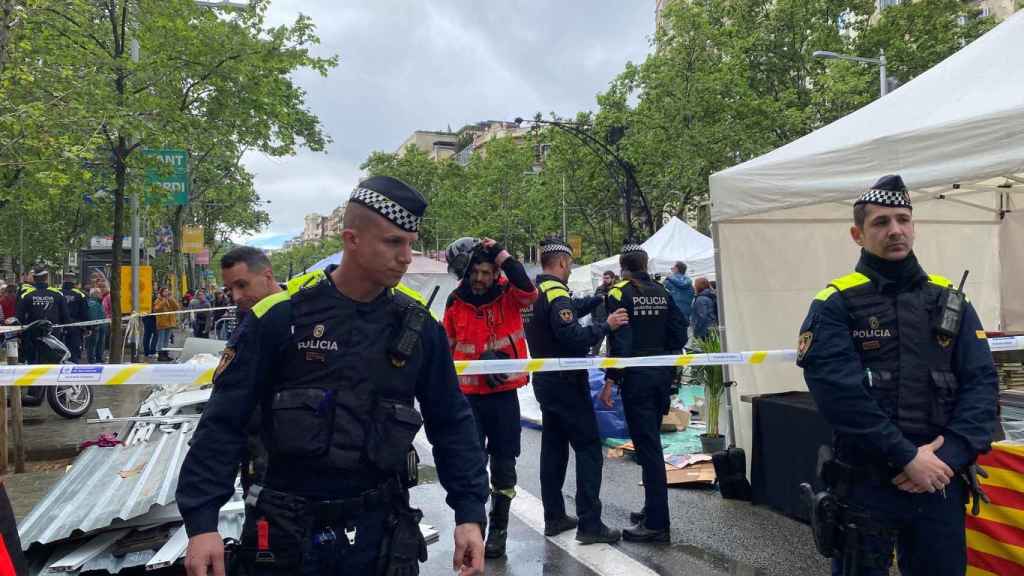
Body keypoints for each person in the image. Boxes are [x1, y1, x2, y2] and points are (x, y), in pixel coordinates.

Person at [177, 176, 488, 576]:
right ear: (351, 239)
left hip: (379, 536)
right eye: (393, 242)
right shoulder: (281, 320)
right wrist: (202, 525)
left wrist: (469, 512)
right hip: (287, 534)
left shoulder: (418, 330)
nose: (406, 256)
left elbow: (452, 422)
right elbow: (223, 423)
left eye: (410, 243)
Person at [797, 175, 998, 576]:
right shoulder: (835, 303)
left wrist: (947, 456)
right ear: (857, 234)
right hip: (867, 486)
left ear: (914, 226)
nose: (895, 231)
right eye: (881, 222)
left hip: (940, 481)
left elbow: (981, 385)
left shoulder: (949, 300)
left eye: (903, 220)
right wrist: (906, 457)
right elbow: (841, 398)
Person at [524, 236, 629, 545]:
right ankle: (590, 523)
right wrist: (607, 325)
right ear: (562, 262)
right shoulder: (556, 292)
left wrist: (597, 298)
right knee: (587, 449)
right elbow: (573, 338)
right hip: (567, 382)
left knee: (553, 450)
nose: (570, 269)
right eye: (569, 265)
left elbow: (566, 311)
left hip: (545, 380)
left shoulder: (534, 291)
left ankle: (554, 517)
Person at [443, 236, 537, 558]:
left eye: (486, 272)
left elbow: (530, 291)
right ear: (466, 273)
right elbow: (447, 348)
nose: (480, 279)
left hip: (502, 397)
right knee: (472, 464)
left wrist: (502, 255)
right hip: (468, 398)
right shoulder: (455, 302)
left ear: (494, 272)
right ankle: (475, 528)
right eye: (475, 273)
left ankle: (499, 529)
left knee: (503, 466)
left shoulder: (509, 296)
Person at [599, 243, 687, 543]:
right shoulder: (664, 292)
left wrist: (611, 379)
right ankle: (652, 509)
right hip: (661, 373)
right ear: (645, 264)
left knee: (647, 447)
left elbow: (619, 340)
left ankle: (657, 523)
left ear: (623, 266)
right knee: (651, 443)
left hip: (636, 376)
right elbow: (680, 330)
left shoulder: (618, 292)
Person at [16, 268, 70, 364]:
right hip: (53, 335)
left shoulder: (26, 295)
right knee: (53, 362)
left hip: (31, 336)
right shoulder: (57, 294)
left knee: (32, 363)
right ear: (46, 278)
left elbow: (19, 317)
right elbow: (65, 316)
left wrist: (19, 334)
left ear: (34, 278)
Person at [59, 274, 88, 363]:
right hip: (75, 327)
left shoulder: (57, 293)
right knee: (74, 352)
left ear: (63, 280)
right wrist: (88, 327)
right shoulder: (80, 294)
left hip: (59, 326)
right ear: (74, 281)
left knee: (59, 352)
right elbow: (85, 312)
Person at [590, 270, 618, 355]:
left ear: (613, 279)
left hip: (612, 321)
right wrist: (594, 318)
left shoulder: (616, 290)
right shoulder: (599, 290)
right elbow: (592, 305)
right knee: (596, 343)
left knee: (611, 345)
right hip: (599, 321)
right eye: (604, 278)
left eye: (607, 278)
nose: (604, 280)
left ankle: (609, 364)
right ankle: (593, 360)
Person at [665, 262, 694, 329]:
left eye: (673, 268)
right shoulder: (690, 284)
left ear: (677, 269)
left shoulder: (668, 281)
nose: (671, 269)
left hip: (672, 315)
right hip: (686, 315)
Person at [153, 287, 179, 362]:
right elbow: (156, 309)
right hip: (162, 323)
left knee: (166, 340)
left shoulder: (170, 300)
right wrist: (164, 301)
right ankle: (160, 355)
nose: (167, 293)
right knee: (161, 339)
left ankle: (166, 354)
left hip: (170, 323)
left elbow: (177, 307)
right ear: (161, 292)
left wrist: (172, 299)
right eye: (165, 291)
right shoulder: (158, 300)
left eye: (167, 291)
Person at [691, 277, 718, 341]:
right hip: (712, 327)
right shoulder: (710, 295)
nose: (694, 287)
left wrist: (696, 330)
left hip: (704, 330)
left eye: (695, 285)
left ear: (699, 286)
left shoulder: (701, 299)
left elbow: (702, 317)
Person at [85, 288, 106, 364]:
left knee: (98, 344)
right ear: (96, 294)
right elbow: (93, 315)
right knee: (93, 344)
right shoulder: (94, 303)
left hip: (100, 326)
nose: (101, 295)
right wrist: (95, 325)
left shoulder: (97, 303)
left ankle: (98, 358)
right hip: (96, 327)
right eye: (100, 293)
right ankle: (93, 360)